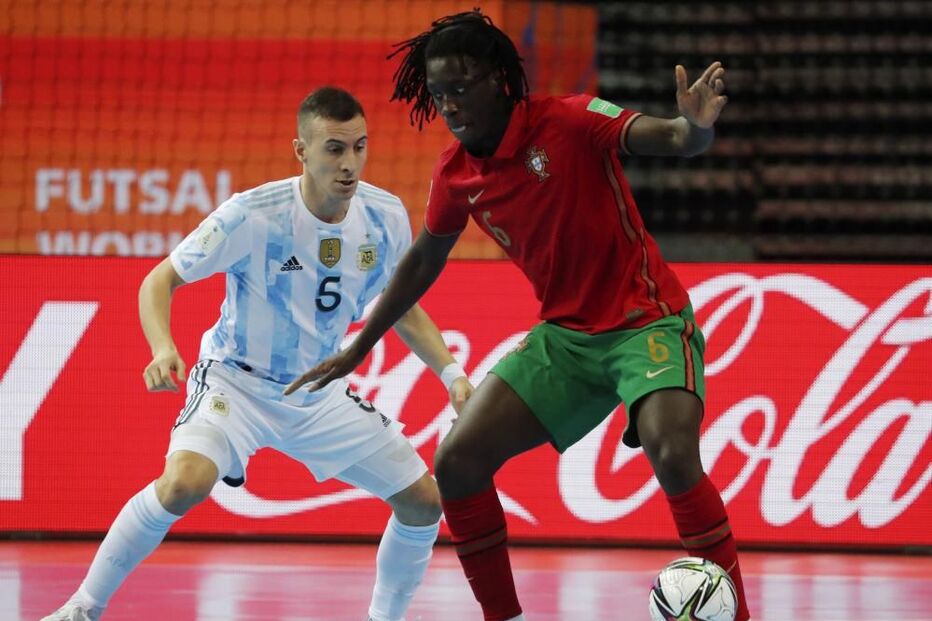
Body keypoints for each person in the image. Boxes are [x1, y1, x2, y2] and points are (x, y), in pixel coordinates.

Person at [285, 10, 752, 621]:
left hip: (648, 323)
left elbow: (670, 137)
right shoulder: (456, 175)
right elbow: (422, 263)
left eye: (463, 85)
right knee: (457, 461)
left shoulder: (571, 120)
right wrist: (358, 346)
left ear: (500, 79)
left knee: (671, 452)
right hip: (566, 341)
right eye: (439, 92)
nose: (450, 103)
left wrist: (694, 128)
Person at [42, 86, 473, 621]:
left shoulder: (384, 216)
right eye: (334, 149)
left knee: (423, 503)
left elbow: (401, 306)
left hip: (318, 391)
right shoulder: (252, 214)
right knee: (183, 484)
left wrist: (451, 373)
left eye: (360, 147)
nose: (349, 164)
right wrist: (162, 347)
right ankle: (83, 607)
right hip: (235, 383)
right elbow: (159, 280)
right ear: (302, 151)